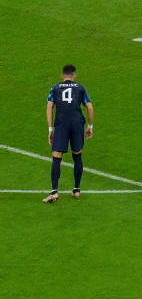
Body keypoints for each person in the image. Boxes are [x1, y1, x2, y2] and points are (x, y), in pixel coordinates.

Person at [42, 64, 95, 203]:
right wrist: (90, 126)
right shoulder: (80, 87)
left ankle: (54, 192)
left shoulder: (55, 87)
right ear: (74, 76)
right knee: (77, 155)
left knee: (57, 157)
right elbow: (89, 107)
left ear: (62, 75)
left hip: (61, 123)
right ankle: (76, 190)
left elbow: (49, 107)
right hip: (77, 123)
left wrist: (50, 129)